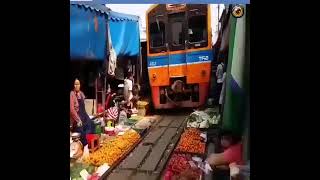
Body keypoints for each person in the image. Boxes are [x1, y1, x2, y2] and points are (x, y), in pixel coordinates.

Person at [70, 78, 94, 146]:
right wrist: (78, 120)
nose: (77, 86)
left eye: (78, 84)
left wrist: (88, 116)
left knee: (92, 124)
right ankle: (84, 145)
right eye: (75, 84)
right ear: (73, 85)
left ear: (80, 85)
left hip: (84, 115)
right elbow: (72, 109)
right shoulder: (71, 94)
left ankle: (89, 143)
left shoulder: (81, 93)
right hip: (78, 117)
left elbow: (83, 105)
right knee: (81, 131)